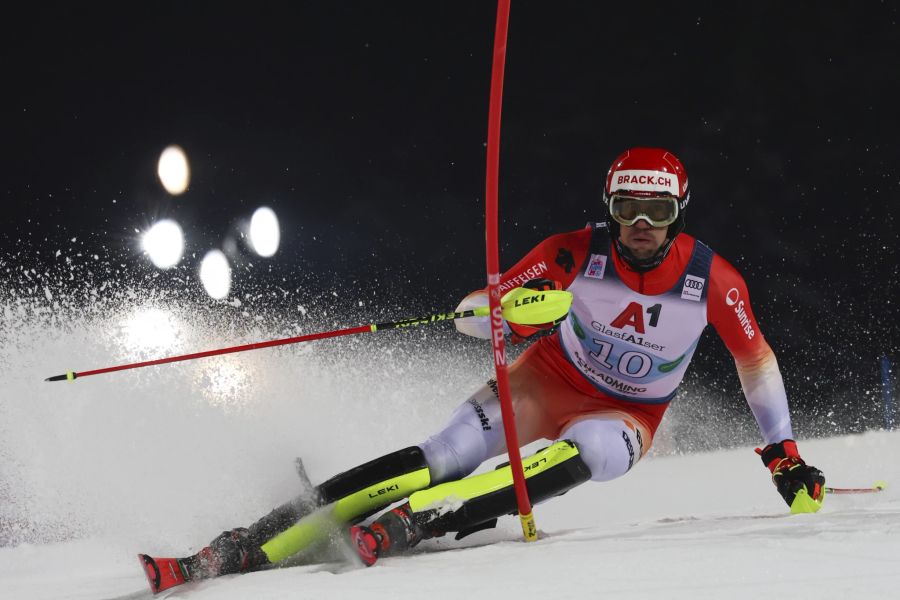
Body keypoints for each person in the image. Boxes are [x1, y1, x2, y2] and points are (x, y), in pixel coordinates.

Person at [149, 147, 826, 581]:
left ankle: (419, 519)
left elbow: (755, 361)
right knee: (442, 452)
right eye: (627, 208)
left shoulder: (714, 280)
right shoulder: (572, 251)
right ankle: (251, 540)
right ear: (609, 210)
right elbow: (479, 308)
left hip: (629, 414)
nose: (641, 223)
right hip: (546, 378)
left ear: (678, 213)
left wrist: (782, 454)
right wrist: (511, 313)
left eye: (657, 209)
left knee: (584, 448)